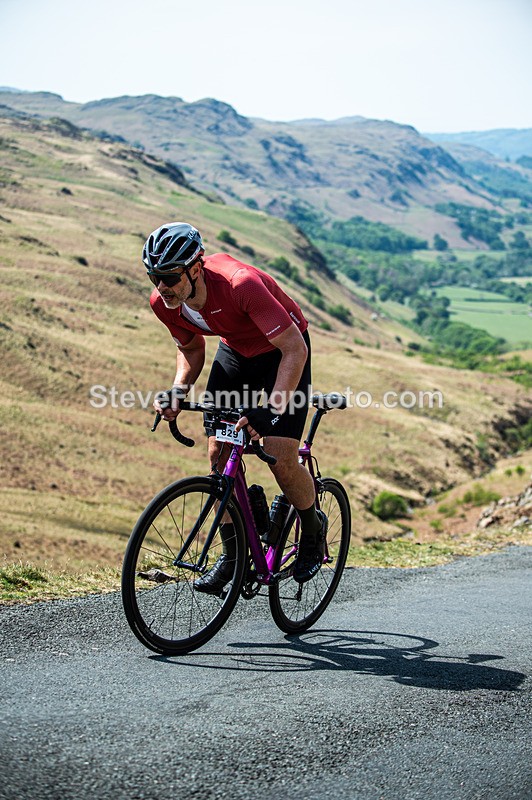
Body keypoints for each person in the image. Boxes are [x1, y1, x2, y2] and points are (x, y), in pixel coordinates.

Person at [143, 221, 327, 589]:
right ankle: (233, 556)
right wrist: (179, 388)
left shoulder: (240, 285)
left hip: (283, 352)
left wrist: (272, 408)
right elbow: (192, 349)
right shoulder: (165, 303)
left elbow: (295, 349)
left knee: (279, 454)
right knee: (218, 454)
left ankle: (311, 528)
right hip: (237, 352)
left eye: (168, 277)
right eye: (153, 277)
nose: (161, 287)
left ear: (196, 268)